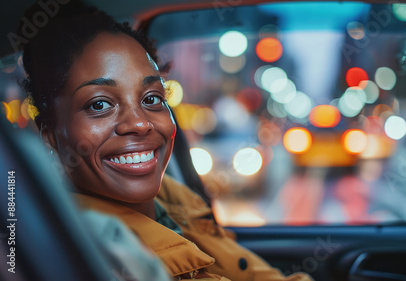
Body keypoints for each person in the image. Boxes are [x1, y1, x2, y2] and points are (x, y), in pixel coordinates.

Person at [20, 2, 312, 281]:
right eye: (99, 105)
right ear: (48, 134)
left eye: (152, 99)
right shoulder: (101, 254)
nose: (139, 122)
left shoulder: (174, 199)